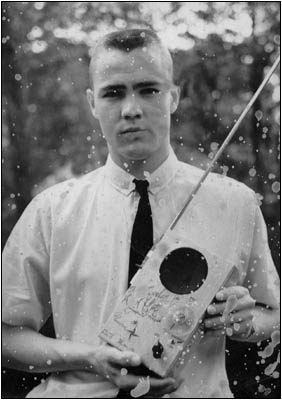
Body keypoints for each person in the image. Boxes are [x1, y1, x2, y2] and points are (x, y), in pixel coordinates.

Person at [2, 28, 280, 399]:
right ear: (92, 103)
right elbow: (6, 338)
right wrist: (91, 358)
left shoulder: (236, 203)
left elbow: (272, 314)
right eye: (113, 92)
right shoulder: (51, 211)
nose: (131, 109)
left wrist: (245, 322)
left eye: (148, 89)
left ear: (173, 97)